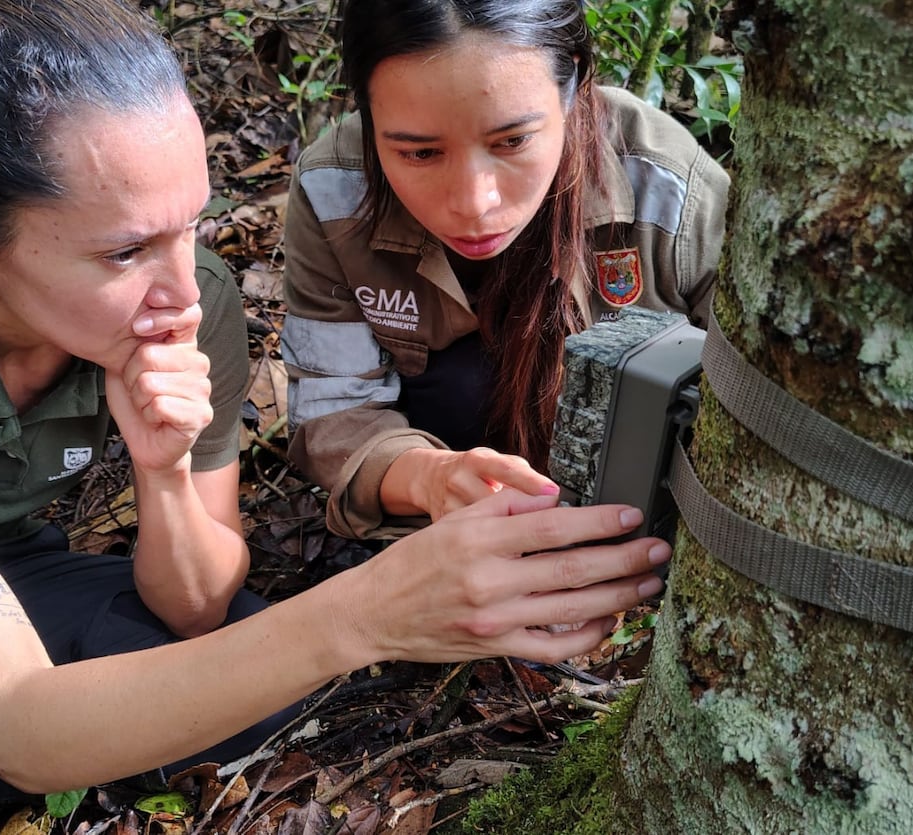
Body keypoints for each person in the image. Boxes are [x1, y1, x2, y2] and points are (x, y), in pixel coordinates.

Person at [0, 0, 673, 831]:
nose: (184, 291)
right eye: (122, 252)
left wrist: (161, 472)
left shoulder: (191, 300)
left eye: (188, 227)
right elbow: (16, 720)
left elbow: (192, 606)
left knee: (237, 673)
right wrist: (369, 611)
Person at [281, 0, 731, 539]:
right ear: (368, 114)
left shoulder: (671, 193)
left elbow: (753, 414)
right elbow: (331, 411)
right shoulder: (333, 190)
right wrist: (428, 479)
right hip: (441, 527)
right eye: (421, 154)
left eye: (513, 141)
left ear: (572, 84)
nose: (474, 203)